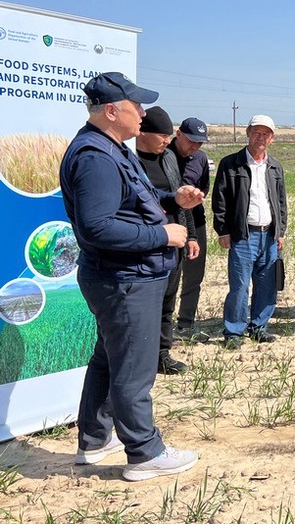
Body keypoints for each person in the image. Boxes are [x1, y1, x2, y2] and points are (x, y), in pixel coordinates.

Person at [61, 72, 200, 481]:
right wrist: (163, 234)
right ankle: (144, 452)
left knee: (109, 358)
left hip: (124, 275)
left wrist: (172, 199)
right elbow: (98, 227)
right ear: (111, 110)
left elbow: (131, 200)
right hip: (124, 278)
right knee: (134, 369)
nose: (142, 113)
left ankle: (94, 439)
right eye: (135, 106)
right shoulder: (95, 158)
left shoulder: (110, 148)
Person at [212, 115, 287, 349]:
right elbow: (220, 200)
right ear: (247, 133)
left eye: (266, 134)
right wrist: (223, 230)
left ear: (272, 138)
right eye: (256, 132)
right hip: (243, 235)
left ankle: (259, 328)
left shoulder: (275, 166)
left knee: (267, 285)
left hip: (269, 235)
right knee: (240, 286)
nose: (260, 137)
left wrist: (281, 231)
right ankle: (234, 331)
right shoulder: (231, 164)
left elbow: (281, 202)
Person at [134, 106, 197, 375]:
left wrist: (191, 235)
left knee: (168, 301)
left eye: (169, 136)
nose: (167, 141)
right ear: (143, 133)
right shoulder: (129, 160)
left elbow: (181, 200)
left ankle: (162, 354)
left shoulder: (169, 157)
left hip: (174, 242)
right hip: (145, 244)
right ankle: (141, 357)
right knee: (145, 304)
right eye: (162, 135)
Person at [170, 118, 211, 341]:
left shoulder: (201, 159)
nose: (195, 146)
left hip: (197, 223)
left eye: (200, 143)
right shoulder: (164, 156)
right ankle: (162, 325)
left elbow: (204, 187)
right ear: (178, 134)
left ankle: (186, 324)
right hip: (170, 223)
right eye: (191, 141)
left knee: (194, 275)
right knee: (169, 276)